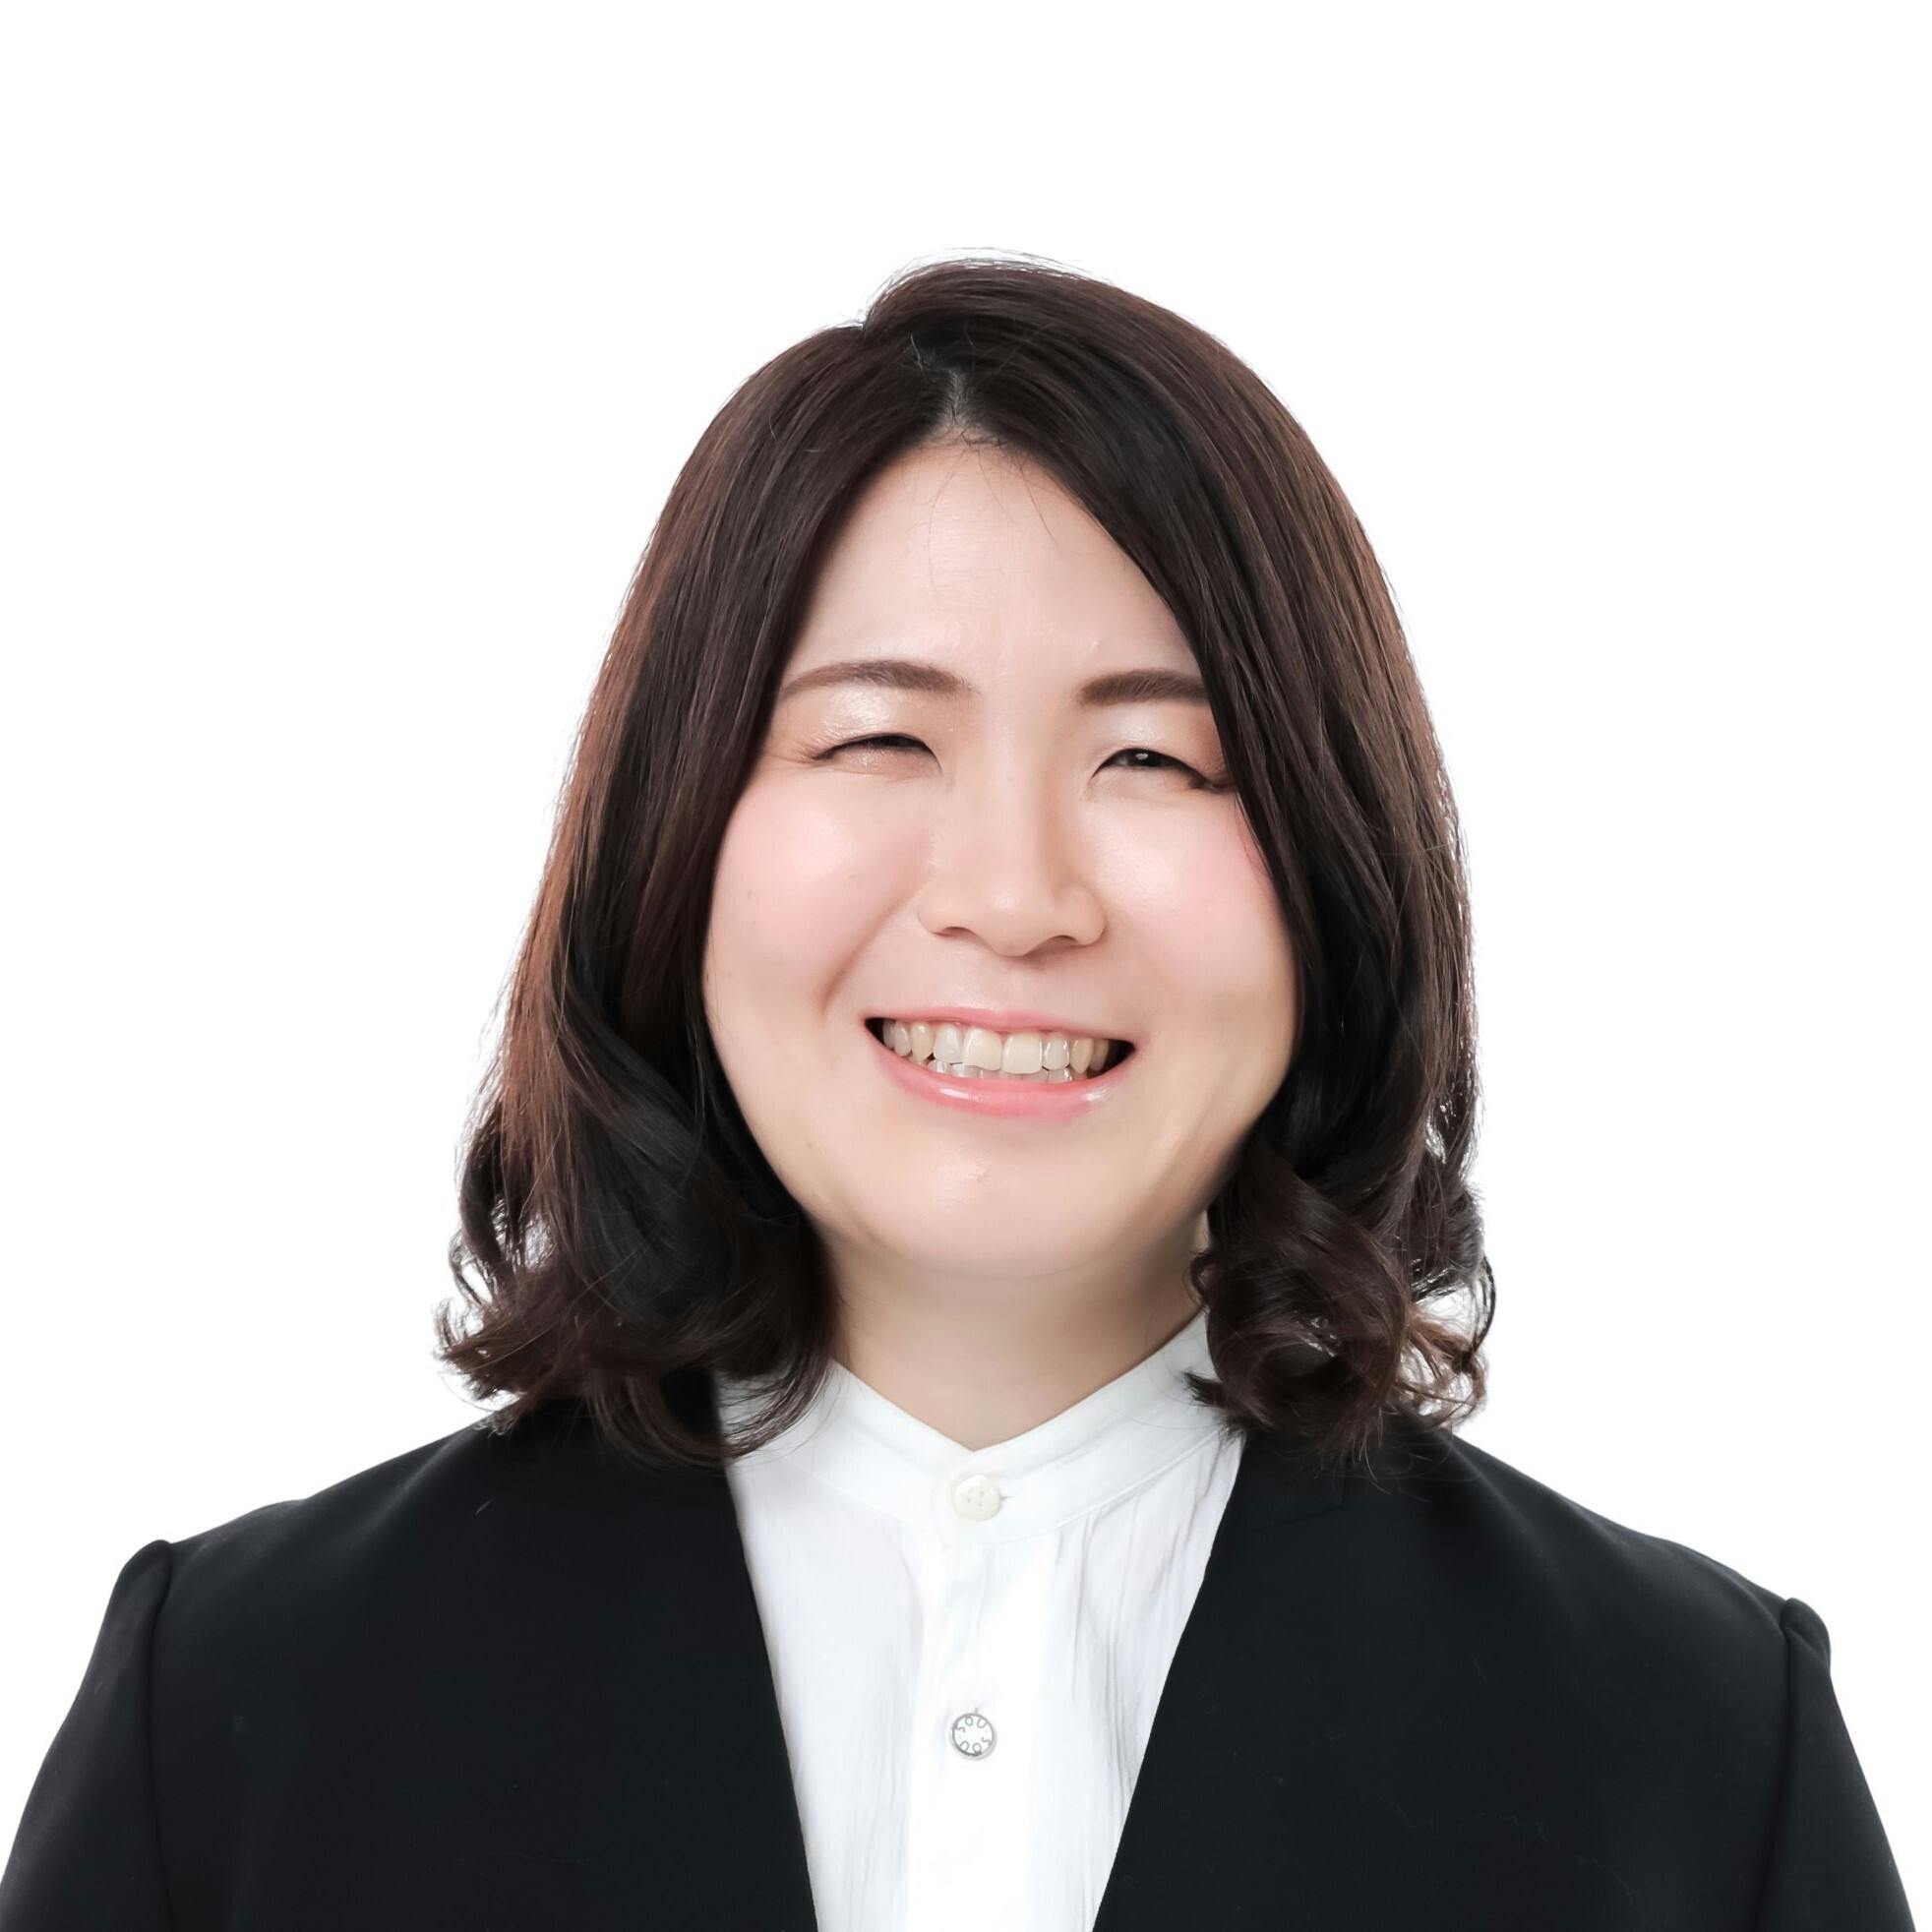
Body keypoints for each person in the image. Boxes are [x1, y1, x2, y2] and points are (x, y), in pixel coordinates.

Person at [0, 255, 1913, 1931]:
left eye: (1156, 761)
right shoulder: (236, 1712)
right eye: (878, 737)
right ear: (679, 835)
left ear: (1333, 872)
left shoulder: (1691, 1746)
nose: (1012, 896)